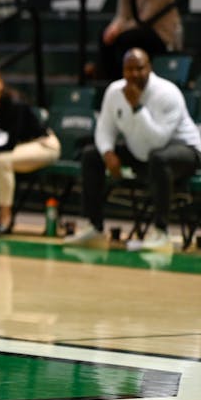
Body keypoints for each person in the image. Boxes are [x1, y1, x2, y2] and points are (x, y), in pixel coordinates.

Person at [65, 48, 201, 251]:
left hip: (185, 152)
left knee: (159, 158)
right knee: (92, 155)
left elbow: (158, 140)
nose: (134, 74)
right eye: (129, 69)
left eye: (139, 68)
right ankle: (94, 228)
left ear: (150, 68)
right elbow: (104, 130)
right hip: (142, 152)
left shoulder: (167, 93)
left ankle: (161, 234)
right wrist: (108, 153)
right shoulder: (114, 92)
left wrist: (137, 107)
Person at [0, 65, 61, 235]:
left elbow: (10, 144)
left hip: (43, 144)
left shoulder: (14, 103)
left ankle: (5, 219)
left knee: (2, 160)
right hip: (19, 147)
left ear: (0, 84)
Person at [90, 0, 181, 81]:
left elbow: (144, 20)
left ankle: (124, 78)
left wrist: (119, 31)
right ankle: (108, 81)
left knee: (125, 38)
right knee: (104, 36)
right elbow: (122, 15)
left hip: (160, 34)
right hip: (137, 30)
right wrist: (112, 29)